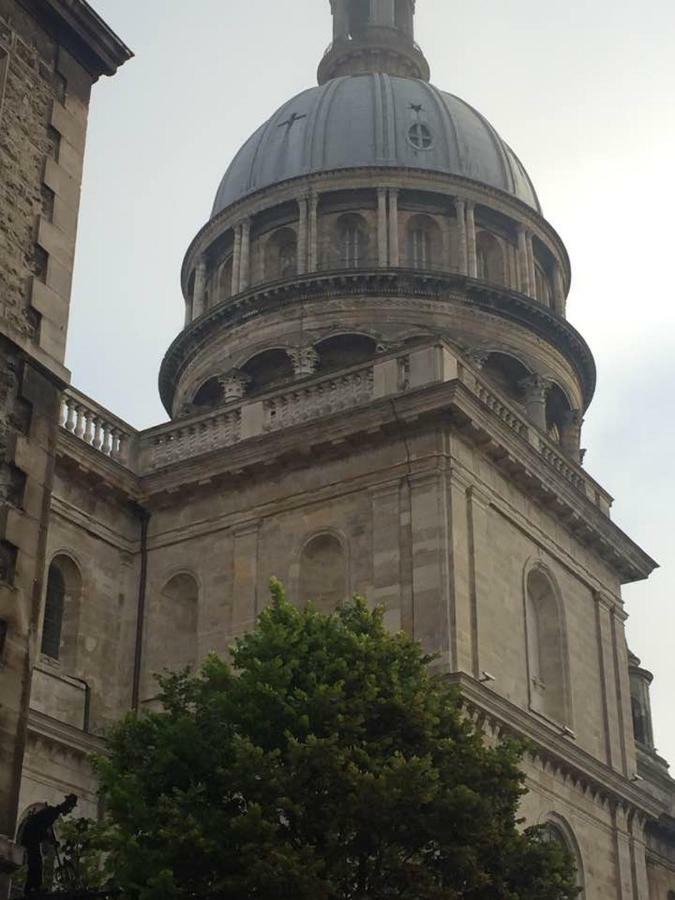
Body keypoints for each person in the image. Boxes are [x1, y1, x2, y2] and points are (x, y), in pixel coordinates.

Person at [20, 794, 78, 895]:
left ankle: (32, 888)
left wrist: (51, 839)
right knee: (36, 862)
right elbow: (41, 828)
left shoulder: (53, 813)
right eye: (70, 808)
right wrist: (51, 840)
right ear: (67, 806)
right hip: (31, 836)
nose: (69, 811)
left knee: (36, 862)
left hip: (32, 837)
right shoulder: (52, 812)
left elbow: (46, 829)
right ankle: (32, 889)